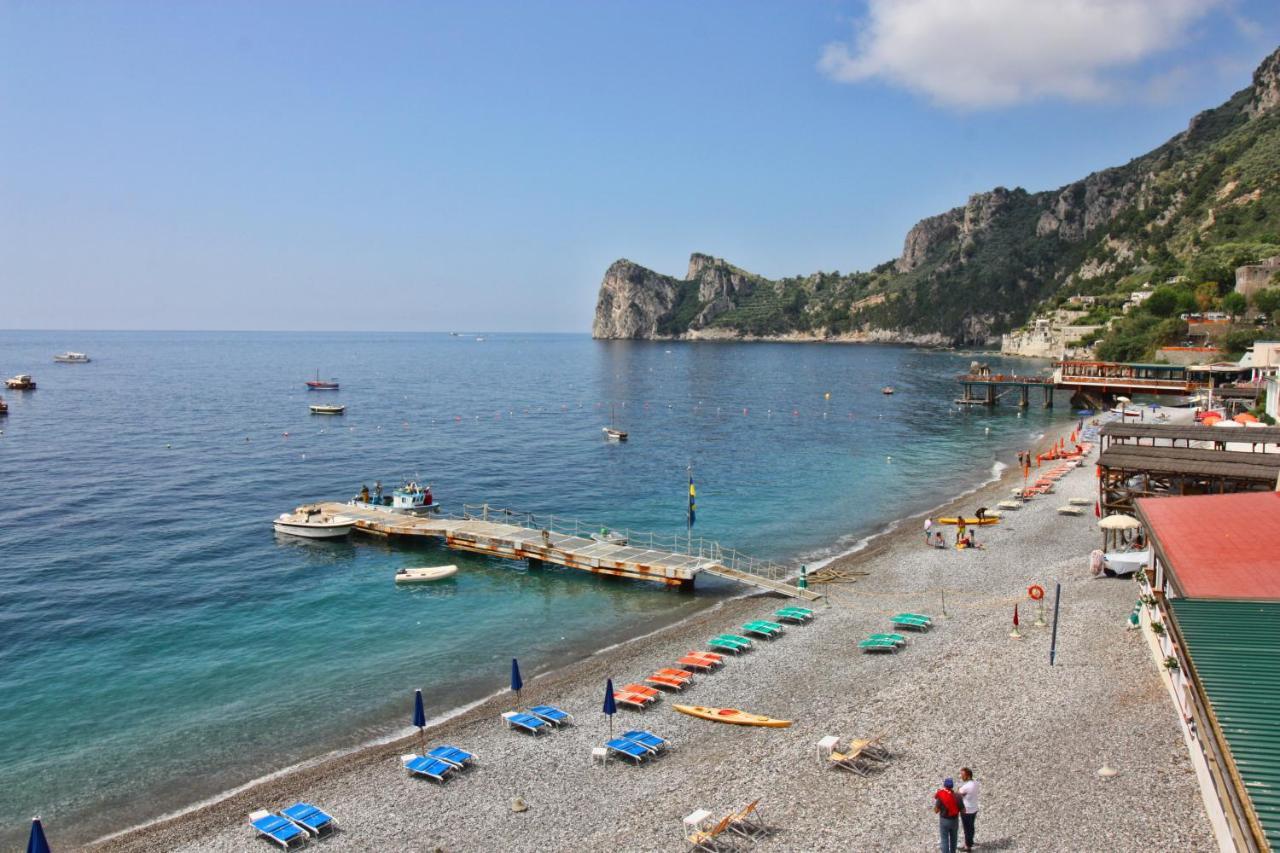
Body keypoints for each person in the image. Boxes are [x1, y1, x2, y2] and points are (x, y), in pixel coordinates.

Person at [934, 778, 963, 853]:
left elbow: (936, 810)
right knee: (954, 838)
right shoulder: (958, 796)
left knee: (944, 839)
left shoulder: (941, 796)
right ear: (952, 786)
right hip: (954, 820)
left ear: (945, 785)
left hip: (944, 820)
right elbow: (963, 810)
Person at [958, 767, 980, 852]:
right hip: (974, 808)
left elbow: (958, 794)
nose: (961, 777)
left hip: (966, 809)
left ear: (967, 776)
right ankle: (970, 841)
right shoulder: (976, 783)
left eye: (963, 775)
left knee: (967, 828)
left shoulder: (966, 786)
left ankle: (967, 846)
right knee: (971, 826)